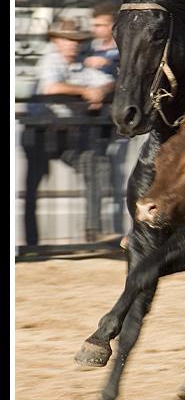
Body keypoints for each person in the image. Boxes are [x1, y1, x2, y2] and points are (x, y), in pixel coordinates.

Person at [23, 18, 117, 244]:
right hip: (39, 135)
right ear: (55, 40)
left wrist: (100, 91)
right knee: (33, 186)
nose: (73, 44)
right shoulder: (50, 59)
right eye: (67, 39)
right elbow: (50, 87)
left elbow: (110, 82)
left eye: (76, 40)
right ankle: (31, 243)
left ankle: (92, 231)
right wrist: (85, 92)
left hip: (66, 136)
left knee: (94, 167)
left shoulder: (79, 63)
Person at [79, 3, 120, 80]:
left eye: (98, 25)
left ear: (113, 26)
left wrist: (108, 63)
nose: (92, 30)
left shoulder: (125, 50)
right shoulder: (87, 47)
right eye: (92, 25)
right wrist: (85, 61)